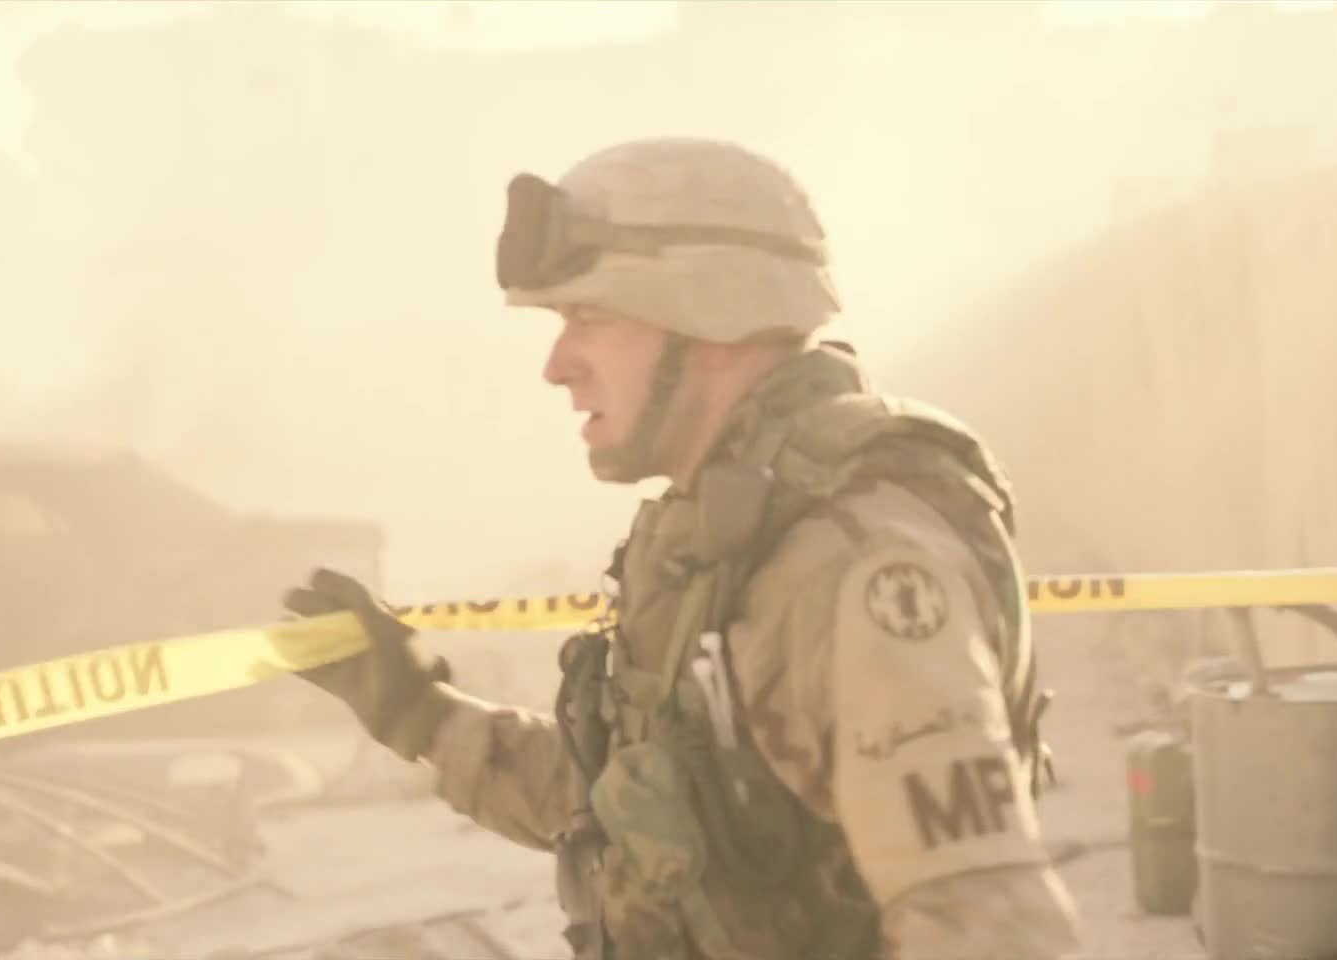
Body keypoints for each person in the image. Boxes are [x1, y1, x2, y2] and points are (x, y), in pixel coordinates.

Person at [280, 137, 1084, 959]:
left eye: (589, 319)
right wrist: (418, 712)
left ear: (713, 315)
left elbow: (991, 923)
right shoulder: (727, 539)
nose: (558, 367)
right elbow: (636, 812)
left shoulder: (849, 561)